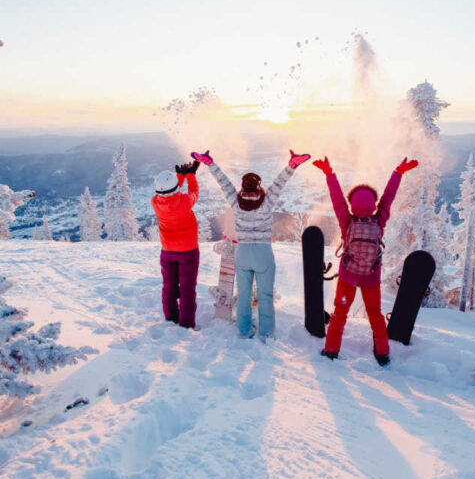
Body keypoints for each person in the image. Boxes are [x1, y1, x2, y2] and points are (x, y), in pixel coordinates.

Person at [193, 149, 310, 340]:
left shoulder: (236, 202)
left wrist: (209, 163)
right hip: (263, 253)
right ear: (258, 187)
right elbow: (280, 183)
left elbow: (223, 183)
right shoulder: (266, 202)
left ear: (243, 188)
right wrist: (292, 165)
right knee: (265, 296)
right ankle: (266, 333)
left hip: (243, 252)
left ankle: (244, 329)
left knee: (244, 294)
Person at [312, 156, 419, 365]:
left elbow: (337, 199)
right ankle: (382, 352)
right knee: (375, 315)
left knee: (340, 313)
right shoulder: (379, 220)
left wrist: (329, 173)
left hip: (347, 277)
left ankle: (332, 350)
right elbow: (389, 196)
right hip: (371, 277)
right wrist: (398, 172)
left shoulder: (347, 221)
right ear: (373, 204)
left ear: (352, 205)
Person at [151, 160, 201, 329]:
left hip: (167, 252)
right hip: (188, 251)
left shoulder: (155, 203)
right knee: (187, 288)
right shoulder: (186, 201)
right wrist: (190, 175)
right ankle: (186, 324)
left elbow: (168, 193)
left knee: (169, 287)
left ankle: (171, 319)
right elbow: (194, 192)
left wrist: (179, 176)